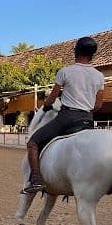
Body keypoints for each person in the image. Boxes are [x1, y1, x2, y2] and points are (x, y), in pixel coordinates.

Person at [23, 36, 105, 193]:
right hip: (88, 120)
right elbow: (98, 105)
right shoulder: (99, 76)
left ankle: (35, 179)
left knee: (33, 143)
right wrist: (86, 111)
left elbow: (52, 98)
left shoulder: (65, 72)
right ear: (92, 54)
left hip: (67, 118)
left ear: (76, 51)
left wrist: (46, 105)